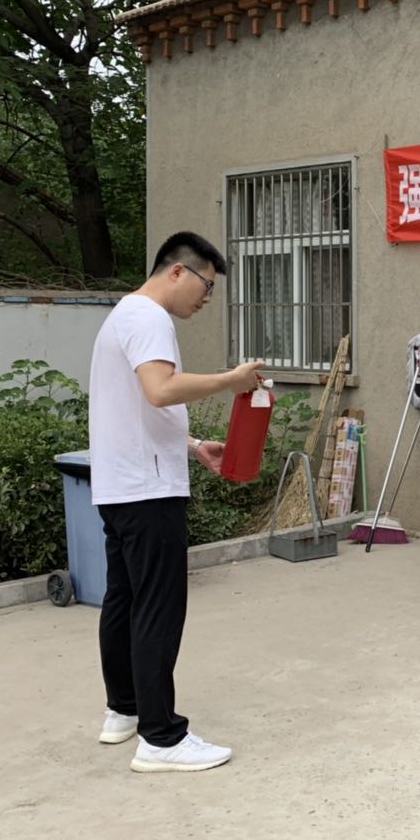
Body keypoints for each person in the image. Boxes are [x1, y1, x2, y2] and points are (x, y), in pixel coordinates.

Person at [89, 231, 263, 772]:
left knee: (124, 600)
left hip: (122, 485)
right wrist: (232, 380)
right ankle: (161, 738)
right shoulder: (149, 317)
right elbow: (161, 389)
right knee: (158, 607)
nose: (207, 299)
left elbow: (138, 407)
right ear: (177, 272)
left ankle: (124, 710)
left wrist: (190, 445)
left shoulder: (124, 314)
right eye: (207, 286)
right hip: (148, 490)